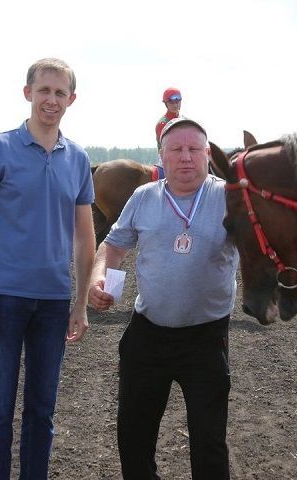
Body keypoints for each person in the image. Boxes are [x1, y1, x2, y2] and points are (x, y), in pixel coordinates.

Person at [0, 57, 95, 480]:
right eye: (44, 90)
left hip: (53, 302)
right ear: (28, 93)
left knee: (42, 411)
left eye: (60, 93)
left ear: (72, 99)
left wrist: (81, 302)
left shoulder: (78, 159)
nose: (51, 100)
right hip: (2, 299)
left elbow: (86, 238)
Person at [89, 117, 238, 479]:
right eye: (176, 149)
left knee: (209, 442)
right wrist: (97, 278)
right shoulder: (144, 196)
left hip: (206, 338)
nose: (185, 157)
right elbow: (112, 246)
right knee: (134, 439)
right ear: (162, 156)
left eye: (194, 149)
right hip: (148, 334)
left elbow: (273, 234)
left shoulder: (231, 199)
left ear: (207, 154)